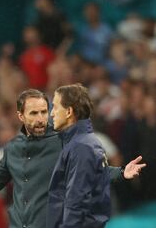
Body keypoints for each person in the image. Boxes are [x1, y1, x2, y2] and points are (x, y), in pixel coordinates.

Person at [0, 89, 145, 228]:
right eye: (33, 113)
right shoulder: (13, 148)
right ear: (21, 116)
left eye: (43, 112)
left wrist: (122, 172)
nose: (39, 118)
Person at [47, 83, 146, 228]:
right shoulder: (80, 142)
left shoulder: (80, 146)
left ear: (69, 111)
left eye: (55, 107)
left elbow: (76, 201)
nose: (52, 113)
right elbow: (94, 174)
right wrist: (121, 171)